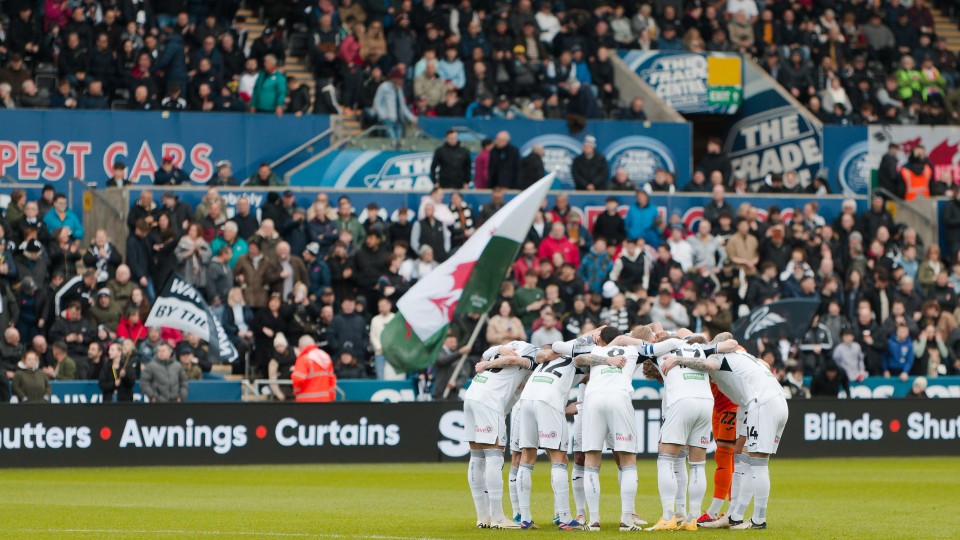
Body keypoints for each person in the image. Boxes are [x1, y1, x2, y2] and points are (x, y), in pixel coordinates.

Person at [664, 337, 789, 530]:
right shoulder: (746, 356)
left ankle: (758, 520)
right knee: (740, 453)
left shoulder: (723, 358)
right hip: (769, 401)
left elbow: (708, 363)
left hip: (762, 403)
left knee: (758, 461)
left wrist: (679, 360)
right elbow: (763, 363)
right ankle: (734, 515)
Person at [494, 343, 582, 530]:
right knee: (559, 457)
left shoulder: (542, 361)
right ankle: (565, 518)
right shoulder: (573, 359)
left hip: (526, 400)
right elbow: (588, 370)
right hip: (547, 400)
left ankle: (524, 518)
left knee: (527, 456)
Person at [462, 340, 538, 529]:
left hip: (472, 395)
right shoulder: (533, 352)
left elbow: (489, 352)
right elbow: (516, 361)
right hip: (490, 400)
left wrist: (497, 350)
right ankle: (498, 518)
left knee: (477, 457)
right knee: (494, 458)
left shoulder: (507, 345)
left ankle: (483, 518)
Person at [374, 67, 416, 140]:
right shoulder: (384, 87)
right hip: (387, 119)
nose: (401, 81)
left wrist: (411, 117)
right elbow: (376, 102)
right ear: (394, 79)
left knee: (399, 142)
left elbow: (403, 106)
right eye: (399, 79)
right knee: (391, 139)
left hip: (398, 120)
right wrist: (383, 116)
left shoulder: (399, 90)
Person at [291, 335, 337, 401]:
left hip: (306, 401)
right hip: (325, 400)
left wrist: (296, 392)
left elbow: (298, 379)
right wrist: (331, 397)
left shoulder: (304, 359)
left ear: (301, 346)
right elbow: (332, 380)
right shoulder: (325, 357)